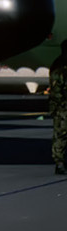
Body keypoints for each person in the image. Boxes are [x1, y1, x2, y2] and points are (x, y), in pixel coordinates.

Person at [51, 42, 65, 176]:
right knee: (61, 135)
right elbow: (56, 92)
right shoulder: (59, 69)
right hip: (62, 108)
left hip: (62, 107)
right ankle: (60, 162)